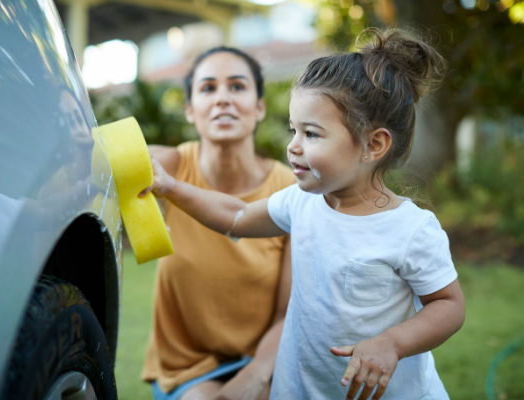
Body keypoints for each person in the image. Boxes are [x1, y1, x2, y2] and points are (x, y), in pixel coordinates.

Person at [145, 28, 466, 400]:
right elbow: (236, 215)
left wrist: (392, 343)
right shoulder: (302, 202)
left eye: (311, 134)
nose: (292, 147)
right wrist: (172, 187)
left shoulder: (409, 229)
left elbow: (448, 305)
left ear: (373, 144)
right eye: (293, 130)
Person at [141, 47, 295, 400]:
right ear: (190, 110)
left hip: (269, 360)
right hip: (189, 368)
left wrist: (256, 375)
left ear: (259, 107)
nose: (223, 98)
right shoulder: (170, 168)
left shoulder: (290, 192)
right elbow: (97, 159)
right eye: (208, 88)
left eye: (237, 87)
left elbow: (289, 313)